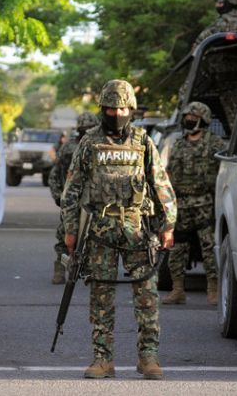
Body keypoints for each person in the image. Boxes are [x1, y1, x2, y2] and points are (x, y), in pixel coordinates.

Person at [61, 80, 177, 380]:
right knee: (101, 295)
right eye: (111, 108)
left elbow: (161, 184)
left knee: (147, 295)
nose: (117, 113)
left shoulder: (142, 141)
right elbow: (72, 189)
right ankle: (103, 359)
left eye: (122, 108)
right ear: (103, 108)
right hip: (100, 231)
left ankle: (149, 357)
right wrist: (70, 230)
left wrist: (169, 224)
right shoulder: (89, 143)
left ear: (131, 109)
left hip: (138, 230)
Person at [162, 102, 226, 306]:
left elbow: (223, 172)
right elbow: (170, 171)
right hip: (181, 203)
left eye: (193, 117)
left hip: (204, 202)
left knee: (208, 247)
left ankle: (213, 290)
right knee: (177, 248)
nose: (189, 120)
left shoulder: (214, 143)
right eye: (187, 117)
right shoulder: (179, 143)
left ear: (203, 119)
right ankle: (177, 290)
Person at [48, 112, 100, 284]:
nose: (87, 132)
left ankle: (90, 269)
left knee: (94, 236)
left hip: (93, 201)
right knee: (64, 234)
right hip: (71, 200)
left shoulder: (100, 146)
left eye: (90, 128)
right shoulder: (69, 148)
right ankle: (60, 268)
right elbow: (55, 174)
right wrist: (58, 197)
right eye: (84, 128)